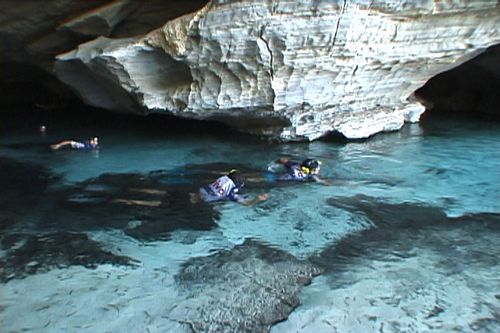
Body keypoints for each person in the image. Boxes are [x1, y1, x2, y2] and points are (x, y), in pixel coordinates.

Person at [192, 169, 268, 206]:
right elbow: (247, 204)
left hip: (200, 191)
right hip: (204, 200)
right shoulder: (231, 193)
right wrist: (257, 199)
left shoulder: (221, 180)